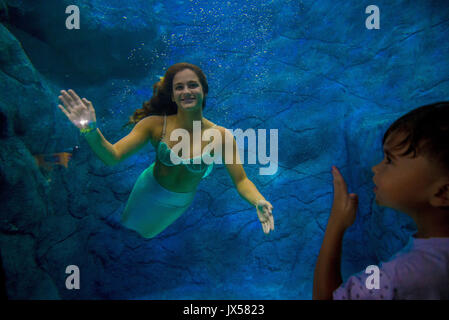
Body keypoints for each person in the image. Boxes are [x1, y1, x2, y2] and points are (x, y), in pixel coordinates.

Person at [57, 62, 274, 239]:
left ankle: (204, 168)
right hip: (148, 189)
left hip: (178, 202)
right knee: (126, 228)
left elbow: (241, 180)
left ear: (204, 90)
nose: (186, 91)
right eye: (179, 87)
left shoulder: (223, 136)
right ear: (171, 95)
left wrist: (258, 201)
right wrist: (90, 130)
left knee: (147, 237)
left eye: (193, 85)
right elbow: (112, 157)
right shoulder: (154, 125)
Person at [313, 101, 449, 300]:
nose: (375, 168)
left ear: (443, 192)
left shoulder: (399, 277)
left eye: (390, 160)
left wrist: (336, 224)